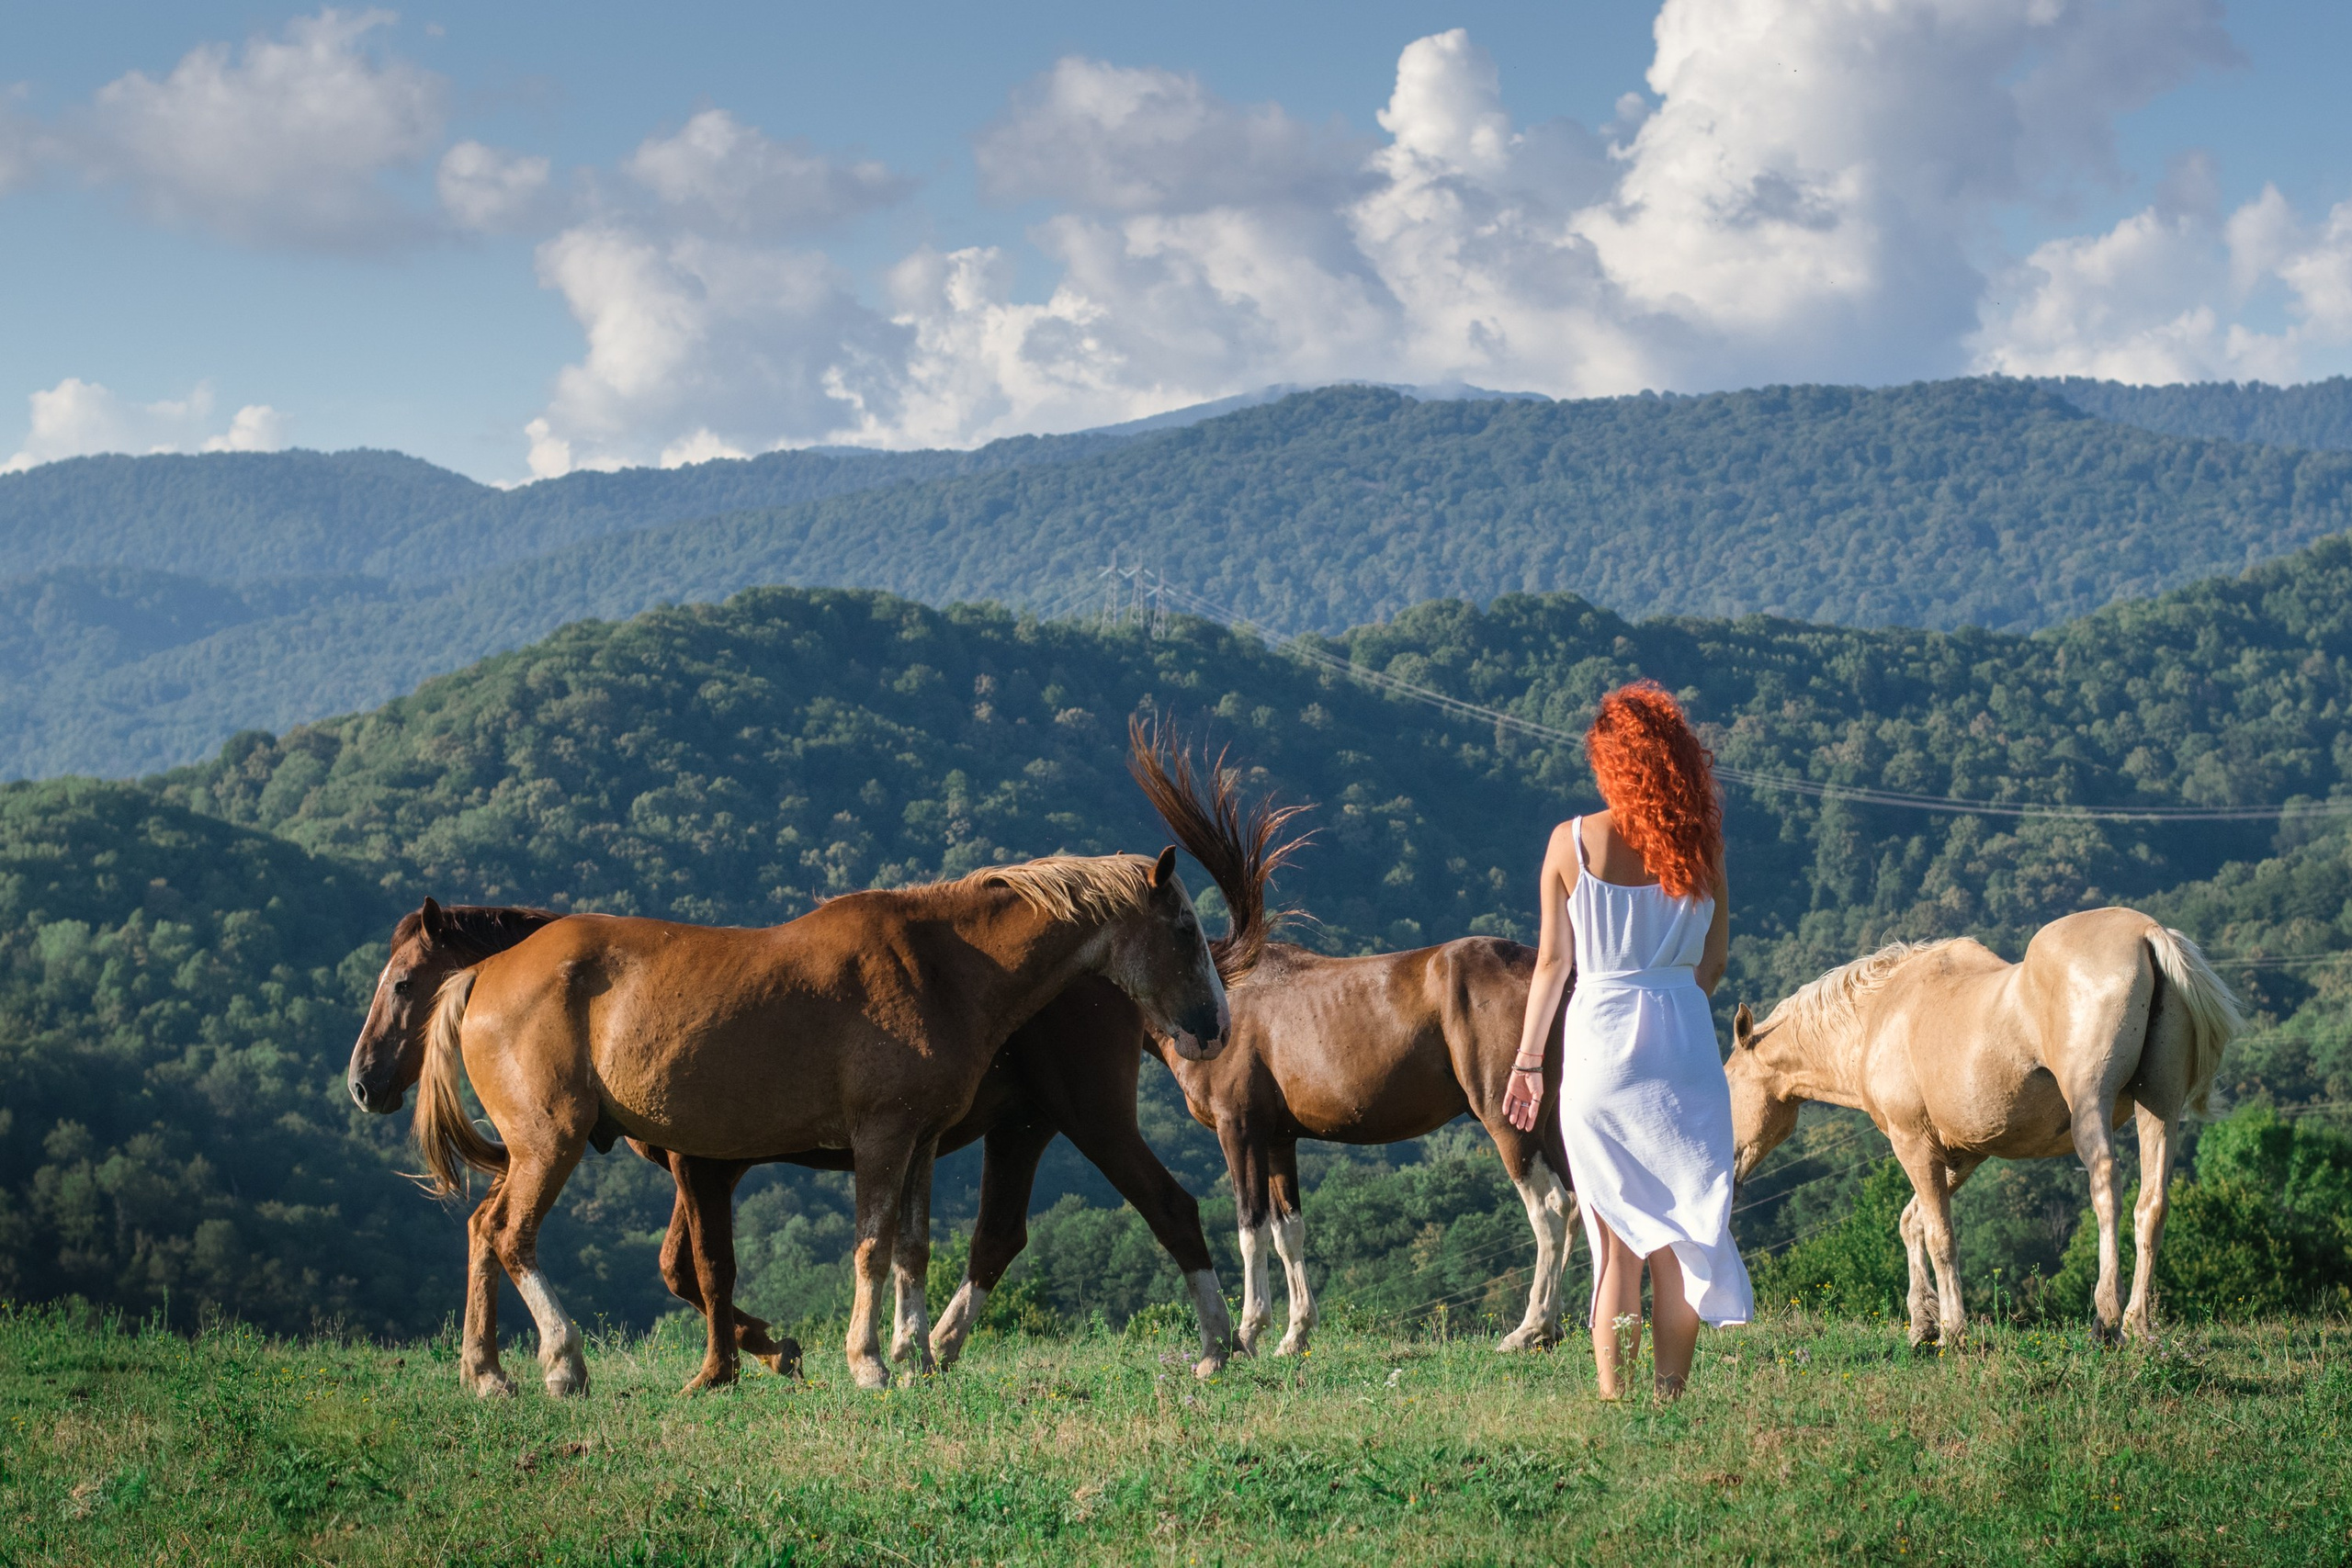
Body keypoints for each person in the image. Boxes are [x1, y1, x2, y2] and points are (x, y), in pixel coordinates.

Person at [1505, 681, 1751, 1399]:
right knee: (1678, 1242)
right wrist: (1670, 999)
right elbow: (1715, 960)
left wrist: (1528, 1063)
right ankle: (1670, 1399)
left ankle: (1617, 1401)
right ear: (1678, 760)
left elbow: (1553, 965)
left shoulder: (1571, 843)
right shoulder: (1701, 845)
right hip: (1683, 1047)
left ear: (1611, 764)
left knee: (1616, 1246)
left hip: (1598, 1047)